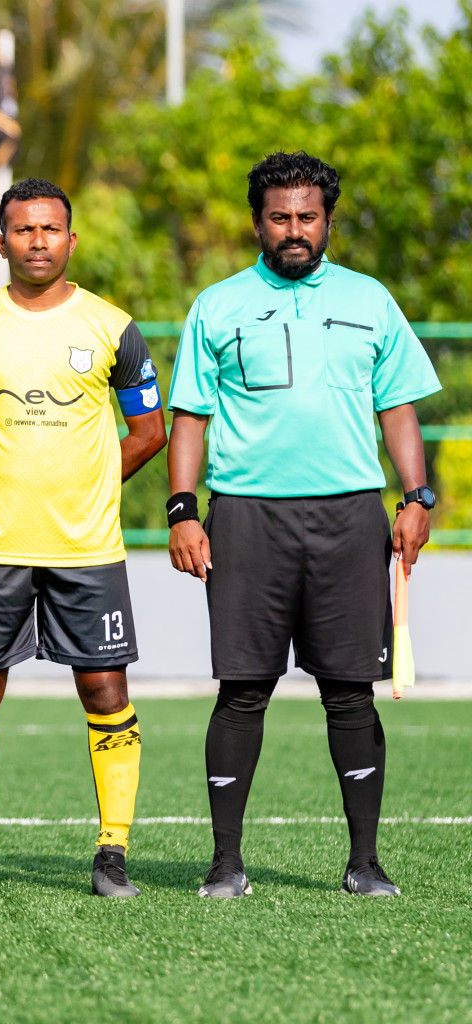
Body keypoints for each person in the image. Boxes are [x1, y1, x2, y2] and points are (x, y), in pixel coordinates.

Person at [167, 152, 439, 899]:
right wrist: (184, 510)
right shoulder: (217, 305)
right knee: (243, 689)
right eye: (280, 217)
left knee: (350, 691)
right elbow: (189, 415)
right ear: (258, 221)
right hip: (247, 518)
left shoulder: (371, 300)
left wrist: (417, 496)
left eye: (307, 217)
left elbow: (399, 407)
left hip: (351, 518)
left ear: (327, 221)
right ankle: (225, 862)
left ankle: (364, 863)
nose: (295, 230)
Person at [0, 178, 167, 899]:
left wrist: (95, 482)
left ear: (71, 240)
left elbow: (149, 432)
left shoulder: (112, 327)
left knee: (104, 688)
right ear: (1, 242)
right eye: (23, 230)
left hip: (86, 547)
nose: (37, 241)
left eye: (50, 230)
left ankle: (113, 853)